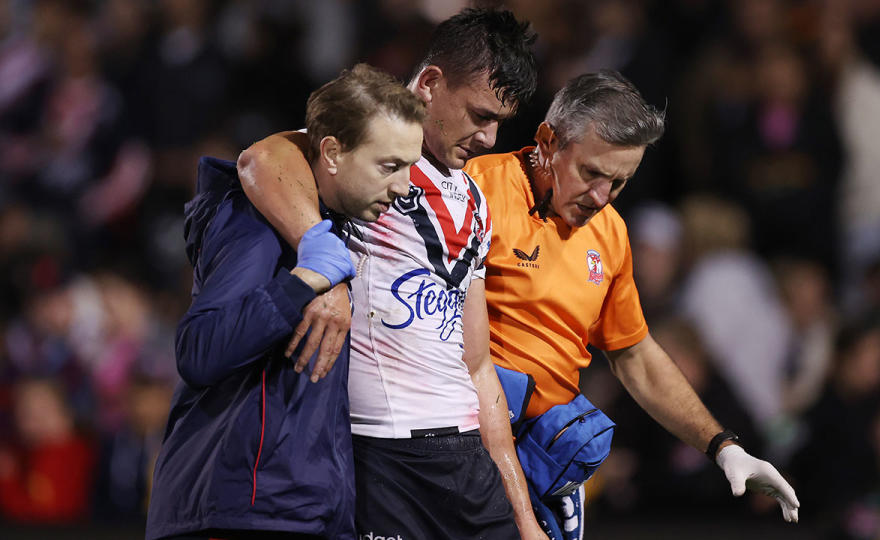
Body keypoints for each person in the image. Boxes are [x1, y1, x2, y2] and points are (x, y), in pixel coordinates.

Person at [237, 8, 546, 540]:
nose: (491, 138)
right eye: (479, 115)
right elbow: (259, 161)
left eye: (500, 122)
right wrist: (325, 268)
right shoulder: (366, 147)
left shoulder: (472, 198)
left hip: (467, 457)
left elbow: (477, 366)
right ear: (429, 83)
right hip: (380, 457)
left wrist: (523, 518)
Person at [462, 70, 799, 535]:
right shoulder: (474, 191)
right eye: (592, 173)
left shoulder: (611, 234)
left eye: (619, 183)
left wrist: (724, 447)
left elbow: (634, 354)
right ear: (547, 141)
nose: (601, 197)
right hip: (466, 449)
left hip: (549, 459)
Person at [145, 64, 426, 540]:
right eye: (389, 166)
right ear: (332, 153)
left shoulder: (336, 228)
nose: (402, 188)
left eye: (409, 168)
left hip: (300, 511)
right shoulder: (253, 224)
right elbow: (199, 349)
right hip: (237, 511)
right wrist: (304, 282)